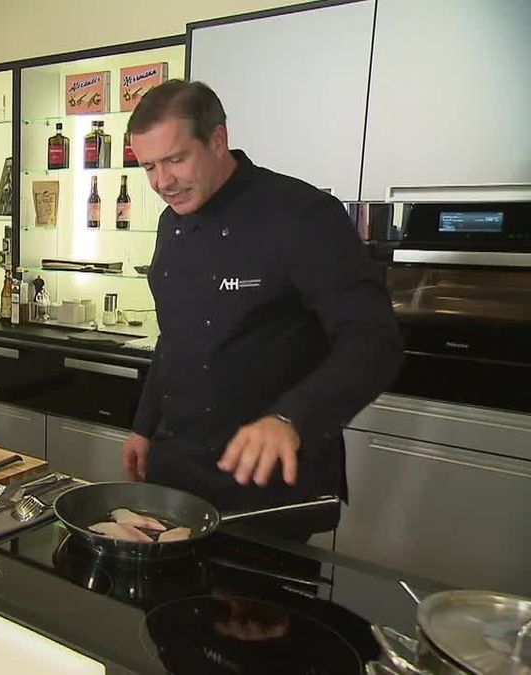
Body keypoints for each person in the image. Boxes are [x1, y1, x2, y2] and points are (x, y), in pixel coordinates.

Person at [121, 80, 402, 537]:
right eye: (149, 166)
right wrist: (144, 426)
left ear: (217, 140)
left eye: (175, 159)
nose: (162, 182)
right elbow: (176, 338)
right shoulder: (171, 224)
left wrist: (292, 417)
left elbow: (373, 339)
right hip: (180, 475)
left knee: (258, 609)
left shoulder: (303, 215)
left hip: (267, 487)